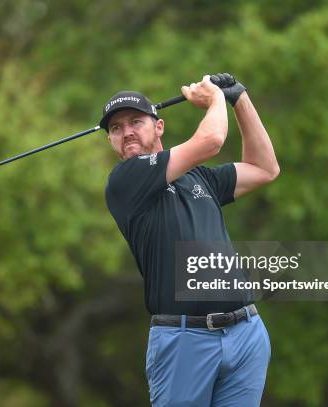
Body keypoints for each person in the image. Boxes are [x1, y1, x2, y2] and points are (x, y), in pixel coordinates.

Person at [102, 73, 279, 406]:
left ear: (159, 127)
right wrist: (214, 99)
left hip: (245, 333)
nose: (126, 132)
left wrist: (239, 98)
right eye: (115, 128)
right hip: (184, 340)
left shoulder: (198, 178)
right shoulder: (125, 180)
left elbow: (264, 168)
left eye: (135, 121)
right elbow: (211, 141)